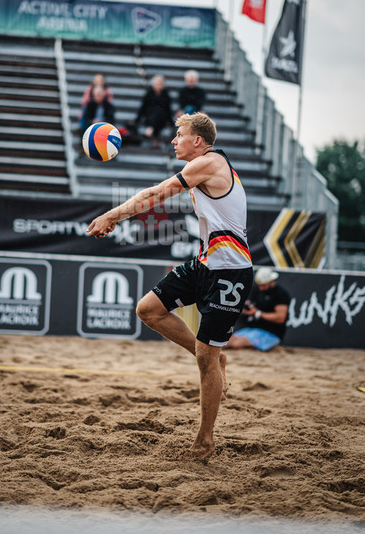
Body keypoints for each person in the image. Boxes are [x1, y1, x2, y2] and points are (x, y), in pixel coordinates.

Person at [87, 112, 253, 459]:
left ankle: (205, 440)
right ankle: (215, 358)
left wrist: (111, 215)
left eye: (180, 134)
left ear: (198, 140)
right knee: (148, 310)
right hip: (205, 263)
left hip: (230, 271)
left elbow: (157, 194)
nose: (174, 140)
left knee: (206, 358)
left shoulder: (209, 163)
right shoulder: (204, 166)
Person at [226, 266, 291, 351]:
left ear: (271, 281)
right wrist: (247, 309)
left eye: (263, 285)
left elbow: (280, 318)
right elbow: (252, 306)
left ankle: (270, 346)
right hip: (253, 329)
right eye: (259, 285)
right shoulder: (257, 290)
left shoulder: (281, 294)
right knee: (226, 342)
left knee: (236, 344)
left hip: (271, 333)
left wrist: (257, 313)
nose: (261, 288)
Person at [134, 75, 173, 146]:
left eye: (160, 84)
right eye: (157, 84)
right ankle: (154, 134)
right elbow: (143, 107)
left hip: (162, 118)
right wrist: (137, 119)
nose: (158, 86)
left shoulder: (166, 95)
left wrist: (171, 122)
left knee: (159, 111)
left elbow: (168, 109)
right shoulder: (149, 94)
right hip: (150, 117)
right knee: (156, 112)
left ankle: (151, 129)